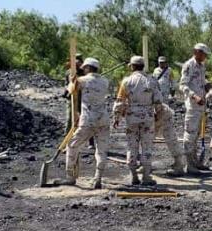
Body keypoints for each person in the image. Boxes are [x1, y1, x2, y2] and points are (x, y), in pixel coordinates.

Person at [58, 57, 109, 189]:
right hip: (103, 119)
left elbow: (69, 91)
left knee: (72, 146)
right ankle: (98, 178)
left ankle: (70, 177)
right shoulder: (105, 81)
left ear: (86, 68)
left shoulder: (82, 80)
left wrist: (72, 79)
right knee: (101, 151)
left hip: (88, 120)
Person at [114, 56, 164, 185]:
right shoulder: (151, 81)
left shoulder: (126, 81)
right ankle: (146, 177)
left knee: (132, 146)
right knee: (147, 146)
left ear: (132, 66)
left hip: (132, 117)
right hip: (148, 116)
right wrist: (159, 114)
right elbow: (158, 100)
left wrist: (117, 117)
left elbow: (120, 102)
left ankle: (133, 176)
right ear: (143, 66)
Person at [178, 43, 210, 174]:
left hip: (201, 106)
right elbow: (183, 85)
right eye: (203, 54)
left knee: (196, 135)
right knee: (190, 135)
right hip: (193, 106)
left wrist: (207, 85)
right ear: (196, 52)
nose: (204, 57)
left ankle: (195, 162)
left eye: (205, 55)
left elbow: (200, 81)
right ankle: (189, 165)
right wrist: (194, 96)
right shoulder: (188, 65)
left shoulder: (202, 66)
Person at [154, 102, 185, 177]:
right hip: (146, 118)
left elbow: (157, 104)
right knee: (145, 141)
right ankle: (145, 165)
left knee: (171, 140)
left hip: (164, 115)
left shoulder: (150, 91)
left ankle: (179, 165)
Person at [64, 53, 85, 133]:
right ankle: (67, 135)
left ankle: (90, 141)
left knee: (85, 117)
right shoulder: (69, 72)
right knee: (70, 117)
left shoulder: (84, 72)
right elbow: (68, 84)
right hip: (72, 97)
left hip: (83, 98)